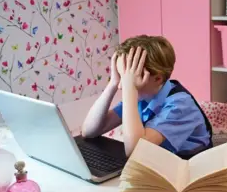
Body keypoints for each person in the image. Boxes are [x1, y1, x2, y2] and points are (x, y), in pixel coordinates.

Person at [81, 35, 212, 158]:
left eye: (128, 78)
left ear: (158, 79)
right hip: (161, 159)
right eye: (121, 75)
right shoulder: (143, 96)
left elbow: (134, 152)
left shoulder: (180, 106)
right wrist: (112, 83)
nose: (122, 86)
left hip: (189, 163)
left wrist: (130, 89)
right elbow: (89, 131)